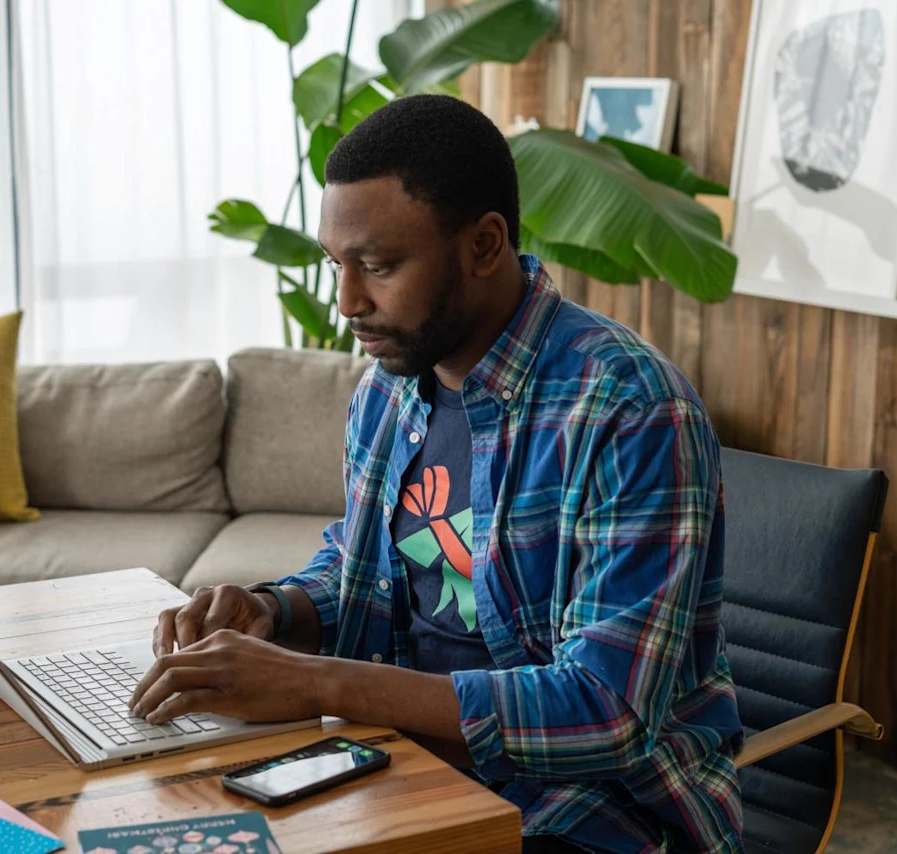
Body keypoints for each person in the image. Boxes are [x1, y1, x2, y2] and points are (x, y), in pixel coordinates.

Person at [130, 94, 744, 853]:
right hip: (403, 768)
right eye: (336, 266)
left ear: (484, 245)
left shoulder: (628, 409)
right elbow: (371, 573)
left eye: (379, 267)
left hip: (594, 814)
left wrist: (317, 683)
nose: (349, 302)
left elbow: (607, 711)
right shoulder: (388, 390)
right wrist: (275, 612)